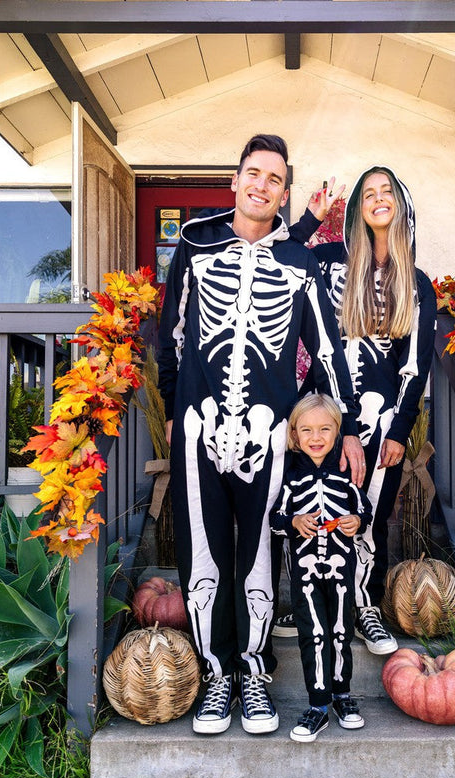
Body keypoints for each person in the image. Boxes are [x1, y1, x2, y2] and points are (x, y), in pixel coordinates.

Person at [156, 134, 364, 736]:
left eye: (274, 178)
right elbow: (170, 337)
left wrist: (340, 425)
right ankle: (216, 675)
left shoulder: (299, 262)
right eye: (254, 174)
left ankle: (254, 675)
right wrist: (174, 409)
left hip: (270, 434)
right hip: (198, 425)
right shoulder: (195, 243)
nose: (261, 185)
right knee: (205, 555)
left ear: (283, 191)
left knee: (258, 557)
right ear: (236, 179)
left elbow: (323, 351)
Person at [276, 166, 437, 655]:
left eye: (388, 190)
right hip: (321, 411)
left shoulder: (416, 284)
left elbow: (416, 363)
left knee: (370, 511)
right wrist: (309, 218)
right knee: (305, 503)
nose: (378, 198)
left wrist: (400, 429)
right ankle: (300, 603)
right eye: (369, 193)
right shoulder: (327, 263)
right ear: (357, 209)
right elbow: (278, 253)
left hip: (383, 416)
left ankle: (365, 606)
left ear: (400, 205)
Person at [270, 394, 372, 742]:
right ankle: (318, 704)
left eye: (325, 429)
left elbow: (365, 509)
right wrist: (295, 520)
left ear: (337, 433)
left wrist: (356, 521)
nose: (316, 437)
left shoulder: (344, 477)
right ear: (295, 435)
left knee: (341, 632)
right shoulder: (291, 479)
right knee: (313, 634)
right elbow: (276, 519)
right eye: (307, 430)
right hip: (306, 572)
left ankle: (342, 696)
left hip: (342, 571)